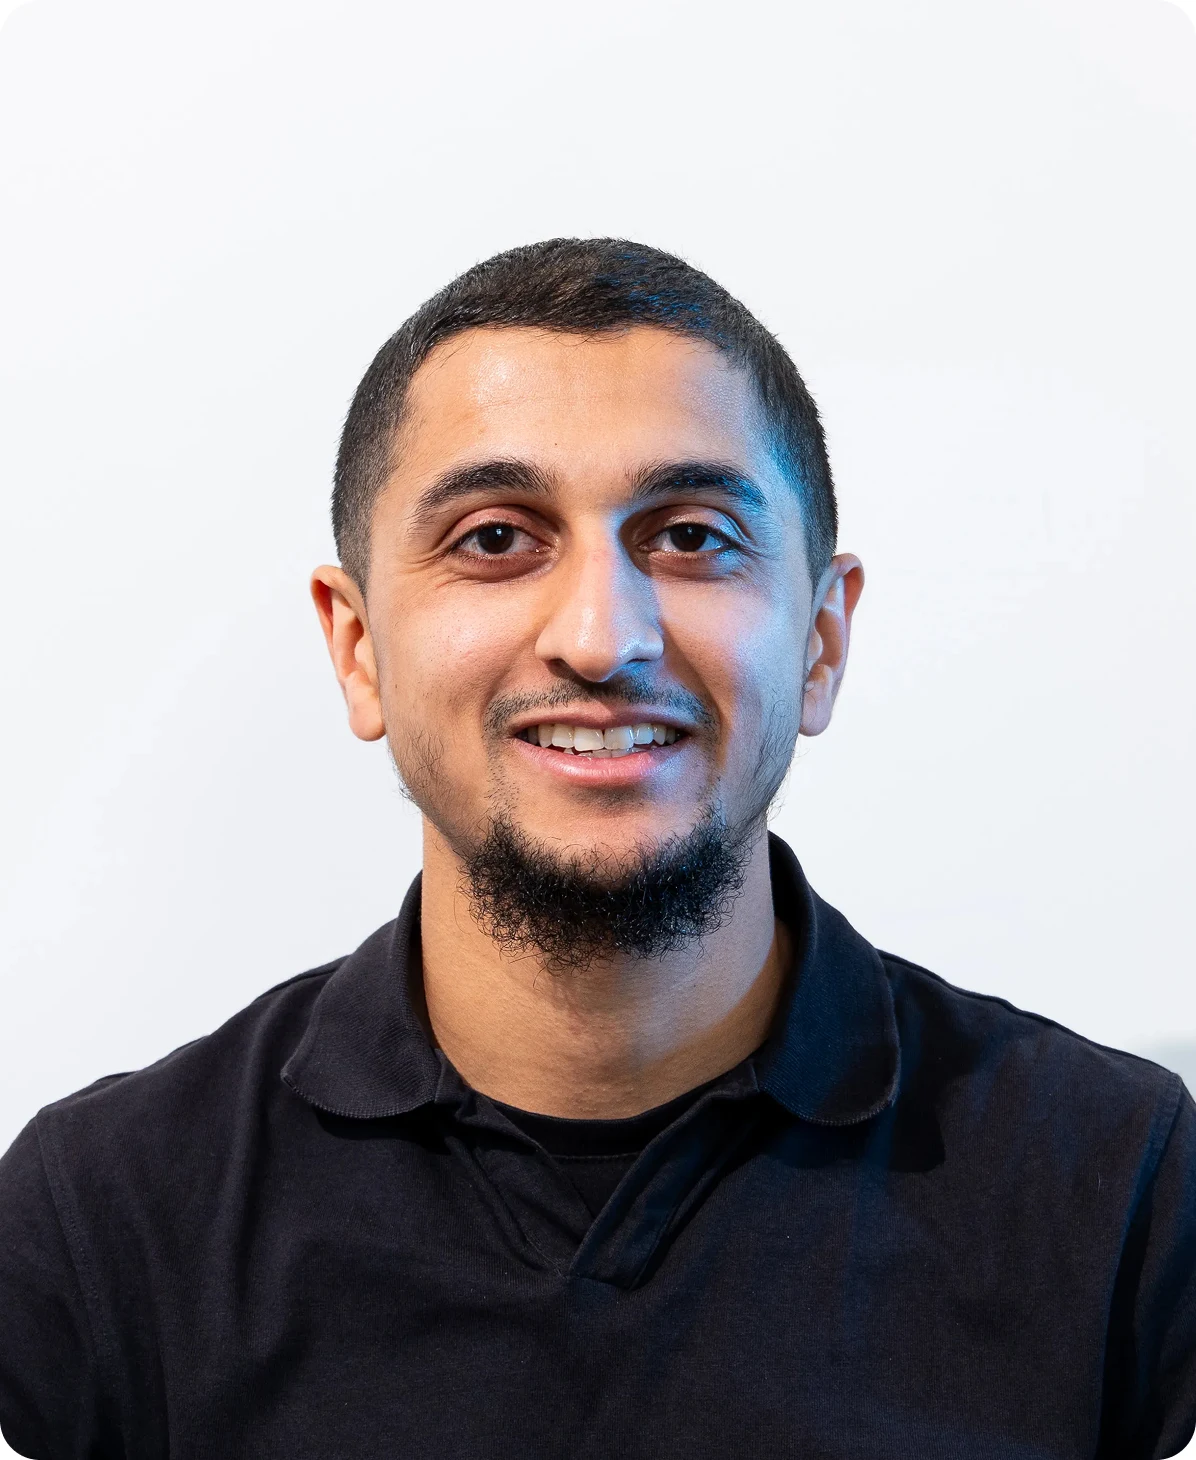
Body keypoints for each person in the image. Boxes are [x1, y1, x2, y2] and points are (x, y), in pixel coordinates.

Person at [1, 238, 1193, 1460]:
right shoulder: (101, 1227)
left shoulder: (1125, 1195)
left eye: (687, 536)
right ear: (357, 647)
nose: (598, 635)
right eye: (494, 537)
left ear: (821, 641)